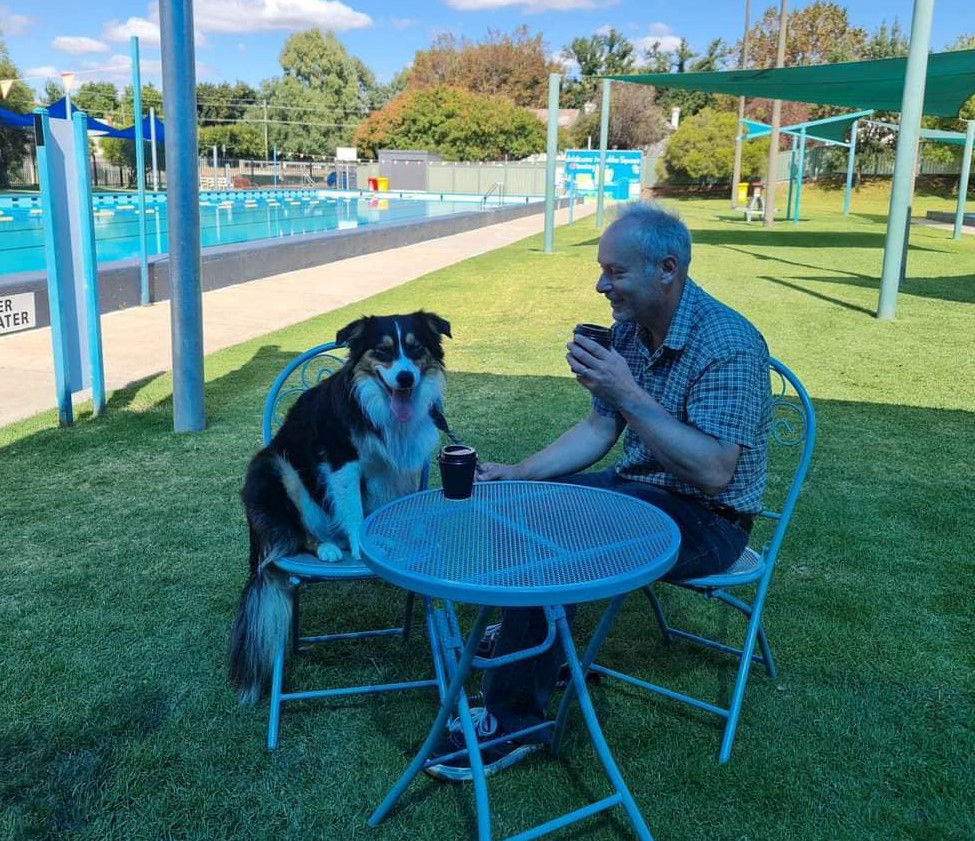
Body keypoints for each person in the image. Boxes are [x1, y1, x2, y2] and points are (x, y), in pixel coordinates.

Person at [425, 201, 772, 782]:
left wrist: (628, 392)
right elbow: (599, 429)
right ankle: (538, 643)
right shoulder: (632, 333)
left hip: (709, 520)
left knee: (551, 536)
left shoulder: (730, 344)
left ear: (667, 269)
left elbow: (713, 472)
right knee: (524, 506)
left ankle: (515, 721)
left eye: (615, 272)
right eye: (602, 269)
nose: (600, 284)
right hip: (637, 490)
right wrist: (520, 473)